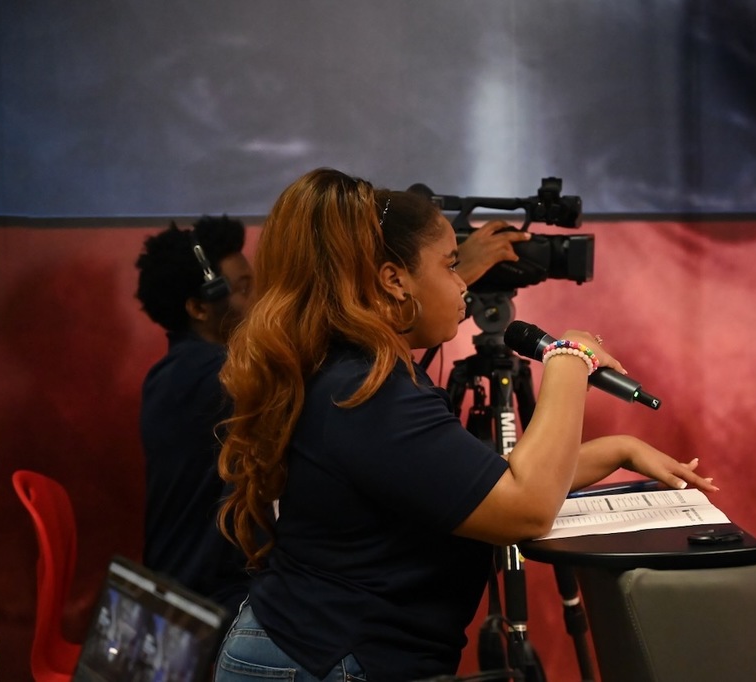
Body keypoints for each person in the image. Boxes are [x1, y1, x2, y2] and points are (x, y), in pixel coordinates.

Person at [213, 168, 717, 682]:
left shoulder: (356, 373)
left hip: (308, 650)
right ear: (394, 280)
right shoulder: (367, 391)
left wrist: (618, 449)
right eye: (451, 265)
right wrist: (567, 358)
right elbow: (524, 509)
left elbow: (471, 482)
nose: (461, 284)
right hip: (326, 662)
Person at [134, 215, 255, 614]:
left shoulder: (171, 374)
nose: (258, 299)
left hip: (193, 591)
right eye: (243, 289)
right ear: (199, 307)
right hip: (203, 608)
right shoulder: (211, 377)